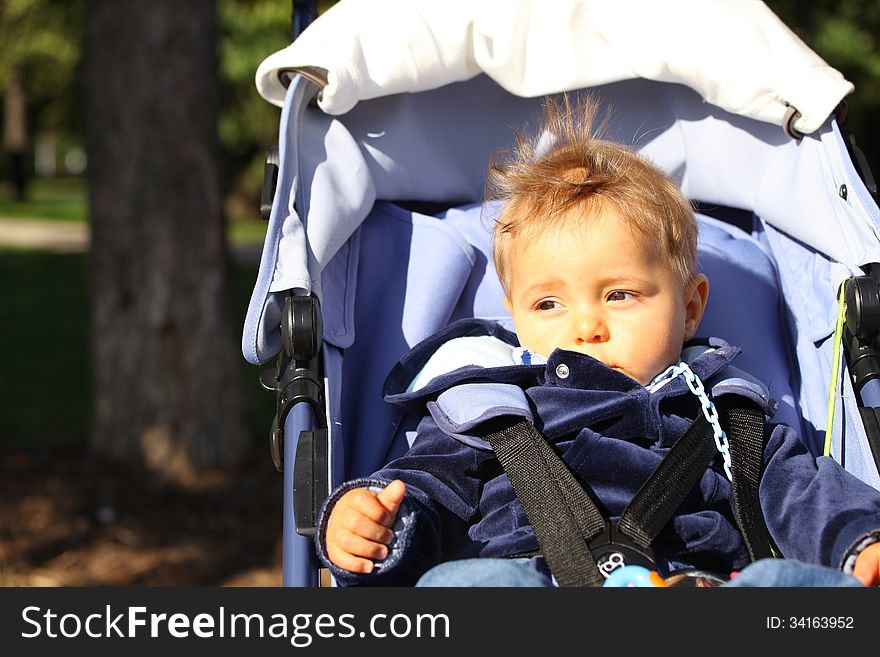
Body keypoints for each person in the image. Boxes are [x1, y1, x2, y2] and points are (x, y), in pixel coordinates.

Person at [314, 96, 880, 587]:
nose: (586, 327)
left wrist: (860, 540)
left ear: (689, 307)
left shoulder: (725, 412)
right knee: (462, 583)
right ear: (514, 317)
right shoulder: (490, 407)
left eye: (620, 295)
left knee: (785, 584)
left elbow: (802, 493)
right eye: (548, 304)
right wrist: (375, 522)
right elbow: (426, 488)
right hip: (528, 575)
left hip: (692, 584)